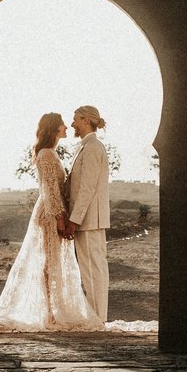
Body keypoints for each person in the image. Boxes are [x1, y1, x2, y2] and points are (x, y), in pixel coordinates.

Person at [0, 112, 103, 335]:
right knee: (49, 264)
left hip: (55, 213)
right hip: (50, 215)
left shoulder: (51, 153)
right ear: (54, 128)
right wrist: (60, 218)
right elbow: (50, 189)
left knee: (53, 264)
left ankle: (53, 311)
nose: (67, 126)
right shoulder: (45, 154)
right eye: (63, 124)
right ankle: (50, 313)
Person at [63, 104, 111, 321]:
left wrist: (74, 220)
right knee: (90, 269)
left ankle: (97, 317)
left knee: (93, 269)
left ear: (86, 120)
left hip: (90, 219)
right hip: (87, 219)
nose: (72, 124)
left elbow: (87, 188)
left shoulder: (92, 147)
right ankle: (95, 316)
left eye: (75, 119)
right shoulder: (85, 146)